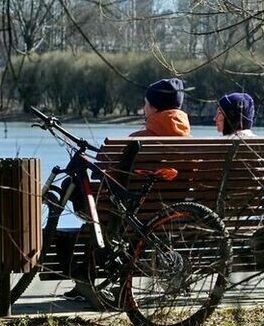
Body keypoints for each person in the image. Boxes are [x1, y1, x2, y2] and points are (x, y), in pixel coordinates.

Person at [64, 77, 190, 303]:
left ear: (153, 107)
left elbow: (102, 173)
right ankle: (87, 278)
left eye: (145, 103)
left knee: (77, 192)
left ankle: (85, 275)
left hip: (126, 217)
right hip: (168, 217)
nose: (144, 108)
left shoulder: (135, 142)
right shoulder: (191, 144)